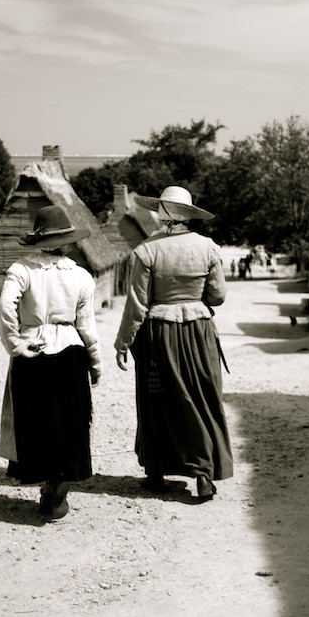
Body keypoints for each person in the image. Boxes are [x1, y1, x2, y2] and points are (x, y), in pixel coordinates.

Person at [114, 185, 233, 501]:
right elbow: (218, 296)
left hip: (158, 334)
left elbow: (138, 304)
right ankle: (204, 474)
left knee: (157, 401)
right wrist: (195, 296)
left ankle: (156, 473)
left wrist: (123, 342)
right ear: (189, 215)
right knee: (202, 397)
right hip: (199, 332)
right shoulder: (209, 248)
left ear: (161, 213)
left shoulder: (146, 250)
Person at [0, 203, 102, 520]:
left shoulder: (22, 270)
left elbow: (5, 308)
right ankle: (60, 485)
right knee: (70, 423)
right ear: (68, 241)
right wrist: (94, 361)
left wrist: (15, 343)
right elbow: (87, 325)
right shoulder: (81, 277)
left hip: (35, 351)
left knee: (38, 423)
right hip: (71, 352)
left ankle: (48, 482)